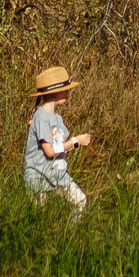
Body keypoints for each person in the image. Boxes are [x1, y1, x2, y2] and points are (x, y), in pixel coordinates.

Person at [23, 64, 95, 218]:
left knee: (81, 201)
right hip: (39, 177)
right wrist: (76, 140)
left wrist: (76, 142)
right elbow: (49, 151)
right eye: (66, 89)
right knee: (41, 219)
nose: (68, 93)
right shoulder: (41, 117)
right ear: (56, 93)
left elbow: (62, 146)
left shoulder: (57, 118)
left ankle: (72, 235)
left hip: (58, 175)